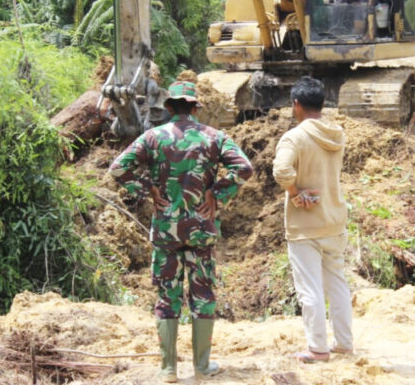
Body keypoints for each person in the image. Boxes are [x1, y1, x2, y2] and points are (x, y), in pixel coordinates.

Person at [109, 81, 253, 383]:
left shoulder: (152, 137)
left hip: (166, 232)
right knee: (202, 295)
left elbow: (118, 169)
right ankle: (202, 367)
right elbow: (244, 168)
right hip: (200, 230)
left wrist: (147, 190)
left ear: (170, 107)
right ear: (196, 107)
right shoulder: (215, 137)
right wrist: (218, 193)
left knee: (166, 296)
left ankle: (168, 369)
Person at [272, 76, 353, 363]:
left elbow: (281, 171)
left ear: (296, 105)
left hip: (306, 225)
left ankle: (317, 348)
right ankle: (343, 342)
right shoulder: (337, 134)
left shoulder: (294, 137)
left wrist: (296, 193)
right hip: (335, 219)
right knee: (337, 283)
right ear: (322, 103)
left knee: (310, 289)